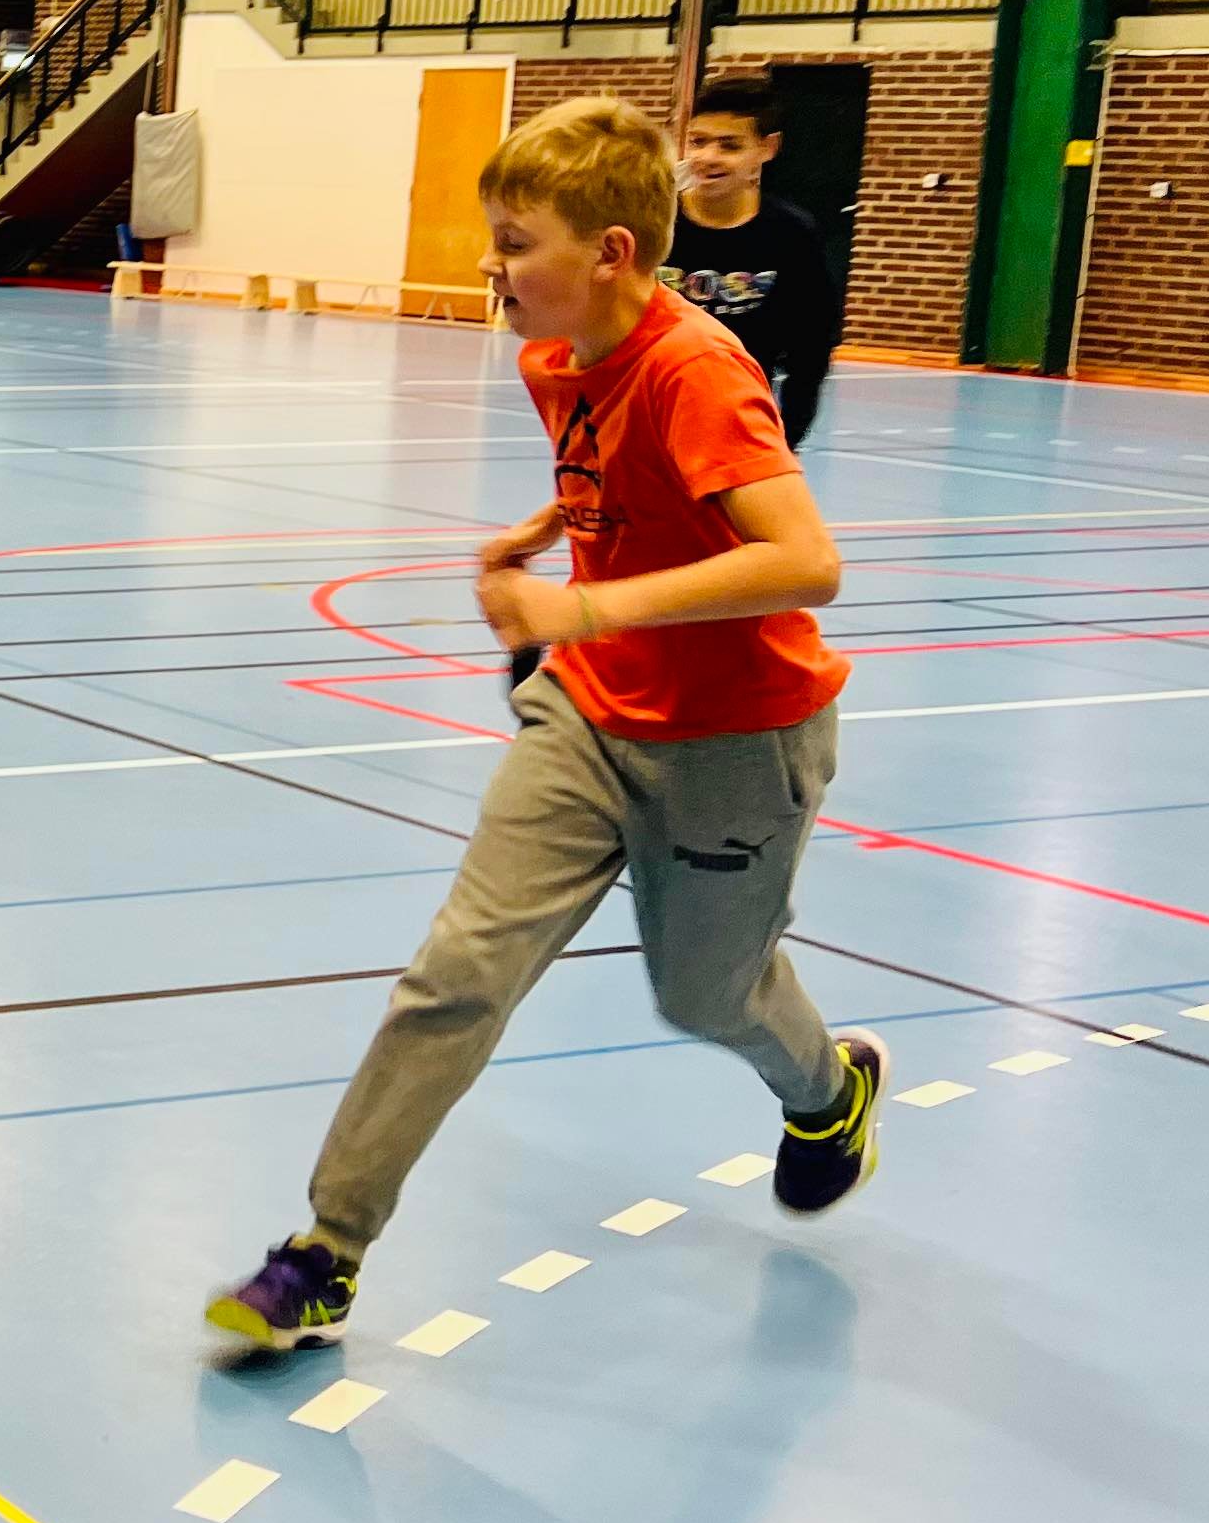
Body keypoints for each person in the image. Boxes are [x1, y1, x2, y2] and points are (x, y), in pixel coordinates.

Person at [211, 97, 885, 1349]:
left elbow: (806, 561)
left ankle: (828, 1089)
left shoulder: (697, 370)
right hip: (586, 714)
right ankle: (327, 1250)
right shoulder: (554, 358)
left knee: (707, 997)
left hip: (737, 742)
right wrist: (551, 529)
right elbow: (624, 476)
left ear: (611, 253)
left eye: (517, 244)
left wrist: (579, 603)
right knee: (457, 977)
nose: (491, 266)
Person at [667, 72, 845, 446]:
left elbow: (810, 353)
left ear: (767, 147)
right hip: (648, 422)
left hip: (740, 429)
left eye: (729, 146)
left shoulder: (792, 235)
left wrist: (785, 441)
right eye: (698, 141)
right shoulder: (654, 223)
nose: (707, 157)